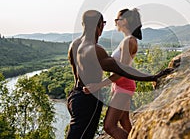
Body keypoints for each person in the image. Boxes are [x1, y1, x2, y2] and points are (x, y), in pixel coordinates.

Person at [65, 10, 171, 139]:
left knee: (116, 124)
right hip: (87, 98)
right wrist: (152, 77)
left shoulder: (74, 45)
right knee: (83, 134)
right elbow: (123, 69)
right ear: (100, 26)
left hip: (74, 96)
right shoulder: (95, 49)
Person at [84, 8, 143, 139]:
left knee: (109, 126)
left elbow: (122, 72)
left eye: (117, 19)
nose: (115, 22)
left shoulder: (129, 41)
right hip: (120, 86)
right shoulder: (126, 40)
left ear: (125, 21)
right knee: (124, 122)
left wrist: (98, 85)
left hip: (124, 87)